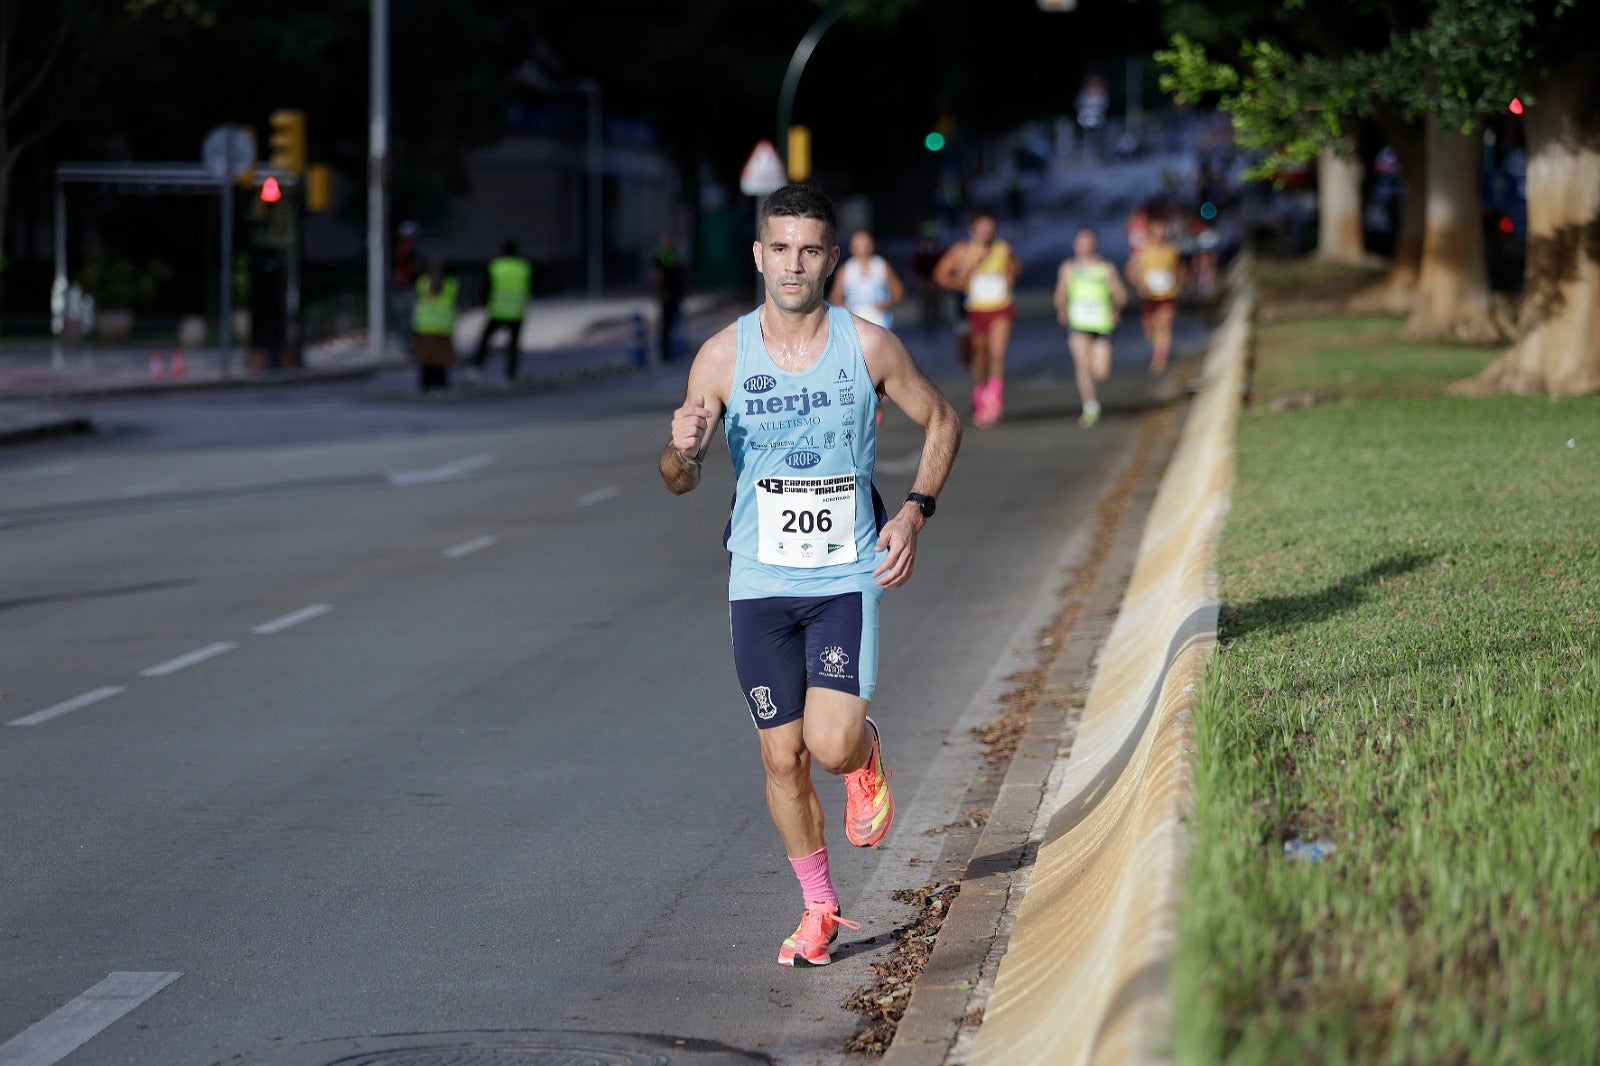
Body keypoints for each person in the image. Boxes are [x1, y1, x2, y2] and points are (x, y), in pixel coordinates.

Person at [659, 184, 962, 968]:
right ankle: (819, 908)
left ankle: (864, 756)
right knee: (779, 757)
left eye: (810, 249)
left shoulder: (867, 346)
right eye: (780, 248)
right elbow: (677, 479)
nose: (794, 264)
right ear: (759, 255)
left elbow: (942, 419)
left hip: (844, 575)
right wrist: (684, 449)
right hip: (758, 579)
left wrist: (913, 512)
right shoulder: (722, 356)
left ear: (831, 258)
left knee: (827, 748)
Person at [934, 211, 1021, 427]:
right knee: (980, 356)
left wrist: (1011, 276)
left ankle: (994, 398)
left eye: (990, 229)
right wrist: (959, 283)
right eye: (981, 229)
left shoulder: (1003, 248)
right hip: (976, 310)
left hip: (1001, 307)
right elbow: (941, 274)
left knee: (998, 351)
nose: (986, 233)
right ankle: (980, 395)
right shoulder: (963, 251)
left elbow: (1016, 267)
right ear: (972, 230)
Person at [1053, 228, 1127, 427]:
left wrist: (1116, 308)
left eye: (1089, 243)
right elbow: (1060, 293)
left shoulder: (1106, 268)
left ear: (1095, 245)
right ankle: (1090, 406)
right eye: (1081, 243)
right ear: (1075, 245)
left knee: (1101, 371)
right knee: (1082, 364)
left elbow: (1120, 293)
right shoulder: (1068, 268)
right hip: (1078, 323)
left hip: (1102, 323)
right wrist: (1062, 309)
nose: (1085, 247)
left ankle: (1092, 398)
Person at [1124, 217, 1185, 375]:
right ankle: (1154, 339)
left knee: (1164, 325)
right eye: (1157, 229)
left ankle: (1160, 359)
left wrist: (1178, 280)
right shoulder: (1144, 250)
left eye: (1163, 229)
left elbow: (1180, 269)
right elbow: (1130, 270)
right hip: (1149, 296)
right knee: (1151, 327)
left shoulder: (1172, 250)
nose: (1161, 233)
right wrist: (1140, 282)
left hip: (1167, 295)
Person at [473, 239, 532, 384]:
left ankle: (477, 368)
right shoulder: (524, 267)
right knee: (513, 345)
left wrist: (483, 302)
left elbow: (486, 286)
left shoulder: (496, 266)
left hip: (498, 311)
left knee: (485, 340)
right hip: (516, 311)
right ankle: (511, 374)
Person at [829, 229, 905, 330]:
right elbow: (835, 297)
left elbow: (899, 291)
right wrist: (846, 309)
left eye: (866, 246)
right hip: (854, 322)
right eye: (858, 246)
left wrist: (887, 304)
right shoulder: (846, 269)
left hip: (880, 322)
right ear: (852, 248)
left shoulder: (881, 265)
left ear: (872, 246)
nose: (862, 250)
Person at [412, 260, 459, 393]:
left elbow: (440, 291)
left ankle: (437, 383)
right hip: (430, 328)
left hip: (436, 328)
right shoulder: (424, 283)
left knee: (439, 359)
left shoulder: (449, 285)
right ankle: (428, 384)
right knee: (429, 358)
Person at [651, 231, 687, 362]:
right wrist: (661, 292)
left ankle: (673, 349)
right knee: (666, 324)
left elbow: (679, 274)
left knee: (673, 323)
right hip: (667, 295)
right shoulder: (662, 255)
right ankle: (665, 351)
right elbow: (658, 275)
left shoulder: (673, 254)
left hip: (675, 294)